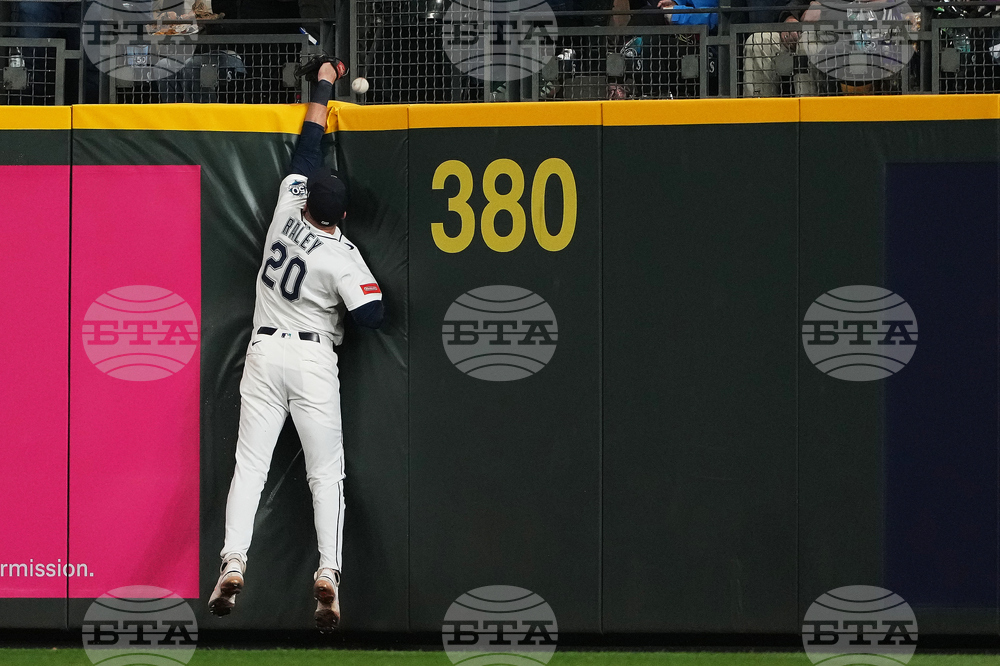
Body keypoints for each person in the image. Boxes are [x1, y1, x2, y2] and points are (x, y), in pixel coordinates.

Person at [208, 60, 385, 633]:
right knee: (324, 474)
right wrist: (357, 276)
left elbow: (309, 147)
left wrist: (326, 84)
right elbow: (374, 316)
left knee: (248, 471)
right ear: (342, 214)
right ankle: (328, 572)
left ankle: (233, 561)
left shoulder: (287, 208)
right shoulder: (343, 257)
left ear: (309, 202)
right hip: (311, 360)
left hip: (263, 354)